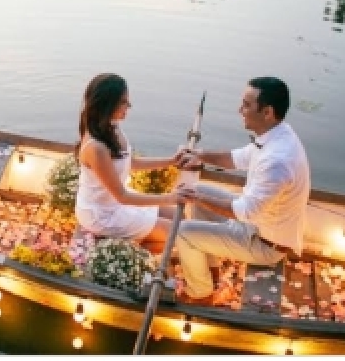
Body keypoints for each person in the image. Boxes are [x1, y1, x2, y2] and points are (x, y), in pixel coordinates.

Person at [175, 76, 311, 305]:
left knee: (182, 231)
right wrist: (199, 156)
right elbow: (237, 158)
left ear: (267, 112)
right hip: (256, 223)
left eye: (247, 105)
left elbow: (244, 212)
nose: (240, 110)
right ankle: (211, 270)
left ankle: (200, 294)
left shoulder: (277, 160)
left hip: (264, 243)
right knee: (197, 190)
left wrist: (193, 197)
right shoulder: (277, 134)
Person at [75, 73, 194, 255]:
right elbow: (122, 196)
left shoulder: (111, 126)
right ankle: (134, 252)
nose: (129, 106)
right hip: (102, 214)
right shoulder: (96, 148)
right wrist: (171, 197)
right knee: (178, 233)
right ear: (108, 104)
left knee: (181, 218)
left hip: (118, 202)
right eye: (124, 102)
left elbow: (131, 162)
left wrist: (171, 161)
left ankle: (139, 241)